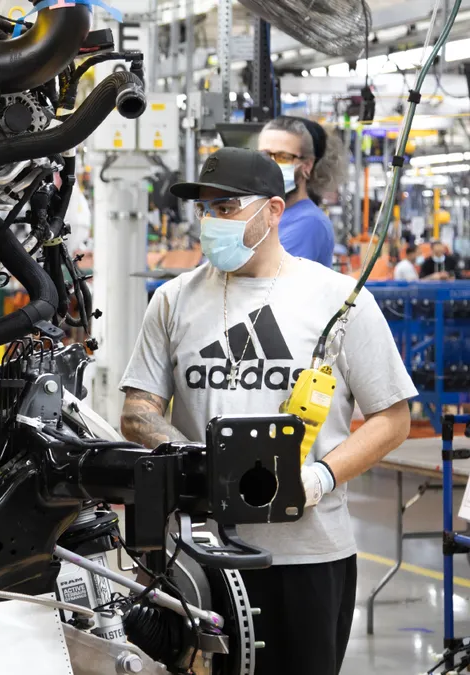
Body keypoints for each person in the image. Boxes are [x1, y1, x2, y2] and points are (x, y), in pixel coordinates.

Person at [119, 148, 414, 675]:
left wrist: (318, 479)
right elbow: (138, 410)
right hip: (197, 554)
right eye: (204, 208)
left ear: (274, 210)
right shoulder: (172, 299)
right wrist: (203, 461)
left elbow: (393, 418)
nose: (211, 222)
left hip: (307, 556)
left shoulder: (339, 299)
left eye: (227, 206)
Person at [257, 116, 344, 268]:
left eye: (283, 157)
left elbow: (267, 282)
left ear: (307, 166)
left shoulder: (308, 223)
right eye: (264, 155)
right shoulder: (269, 214)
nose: (271, 164)